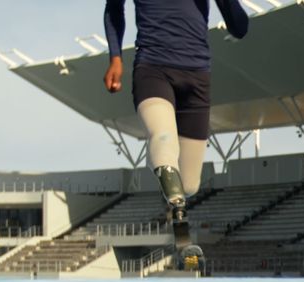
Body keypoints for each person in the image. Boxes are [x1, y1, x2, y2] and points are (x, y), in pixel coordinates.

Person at [103, 0, 249, 209]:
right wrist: (115, 57)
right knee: (163, 137)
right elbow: (113, 8)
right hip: (153, 69)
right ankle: (177, 214)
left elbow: (240, 29)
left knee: (189, 184)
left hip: (197, 78)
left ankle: (158, 160)